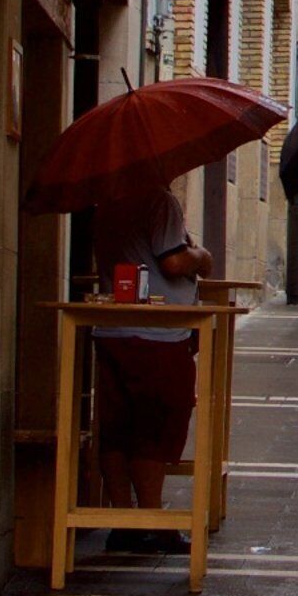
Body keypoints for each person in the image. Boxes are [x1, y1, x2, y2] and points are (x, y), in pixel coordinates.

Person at [91, 188, 212, 550]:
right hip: (157, 332)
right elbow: (172, 262)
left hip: (111, 327)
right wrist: (201, 256)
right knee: (154, 426)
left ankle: (122, 521)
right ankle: (152, 520)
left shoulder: (107, 200)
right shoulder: (159, 200)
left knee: (116, 427)